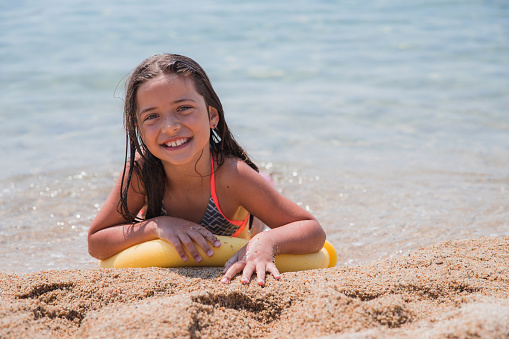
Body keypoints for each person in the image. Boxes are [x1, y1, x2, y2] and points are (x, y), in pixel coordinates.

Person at [88, 54, 326, 285]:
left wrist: (266, 241)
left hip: (239, 200)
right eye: (152, 116)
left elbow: (313, 231)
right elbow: (96, 242)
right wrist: (157, 225)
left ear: (212, 116)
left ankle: (265, 180)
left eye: (183, 108)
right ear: (139, 129)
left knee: (260, 192)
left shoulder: (233, 176)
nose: (170, 126)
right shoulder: (142, 172)